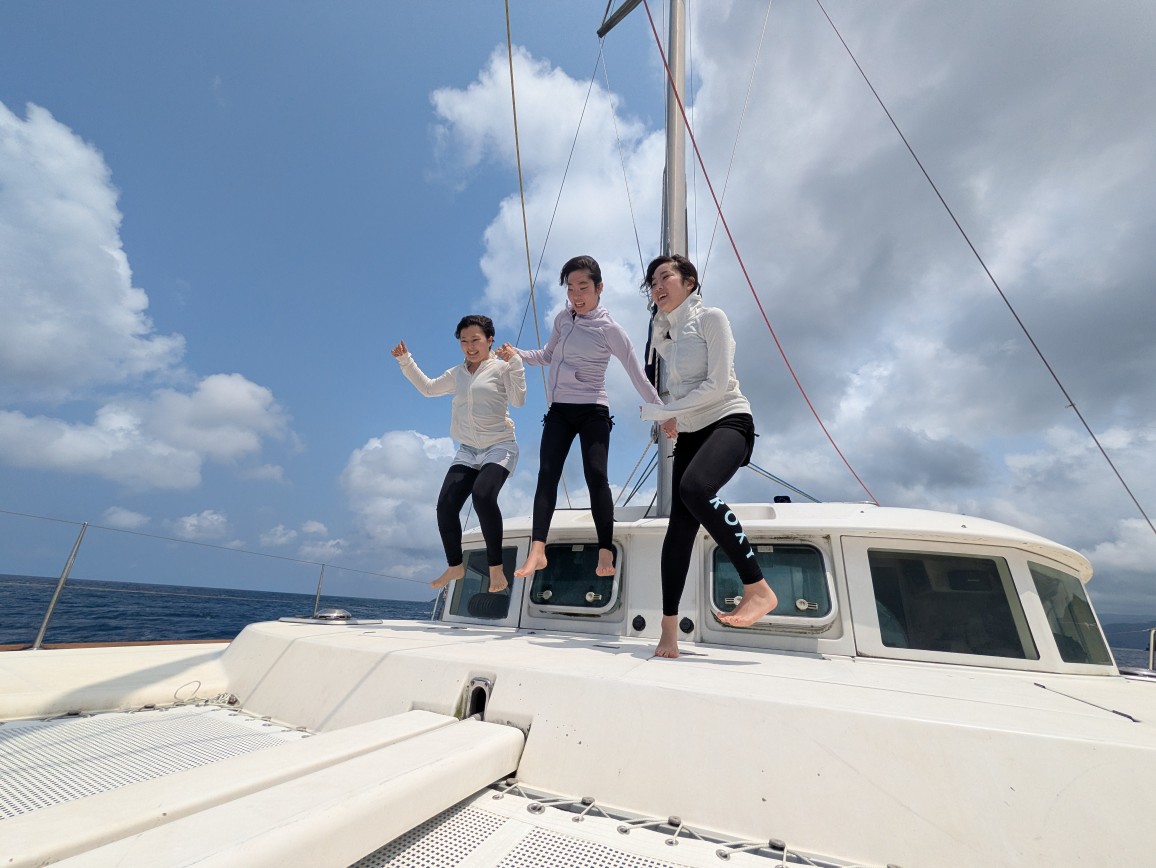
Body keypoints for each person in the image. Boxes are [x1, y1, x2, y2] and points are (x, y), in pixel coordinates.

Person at [639, 254, 778, 658]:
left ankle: (757, 588)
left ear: (689, 282)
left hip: (729, 419)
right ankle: (668, 630)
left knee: (695, 488)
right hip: (690, 430)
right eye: (652, 282)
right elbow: (677, 388)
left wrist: (666, 412)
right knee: (679, 530)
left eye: (665, 277)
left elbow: (717, 385)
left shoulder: (711, 319)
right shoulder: (663, 333)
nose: (657, 286)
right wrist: (674, 415)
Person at [500, 255, 661, 580]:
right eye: (571, 288)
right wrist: (518, 354)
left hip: (592, 410)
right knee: (547, 474)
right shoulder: (563, 319)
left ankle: (605, 550)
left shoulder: (609, 329)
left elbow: (635, 372)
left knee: (595, 475)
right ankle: (537, 550)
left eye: (583, 287)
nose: (576, 295)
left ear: (599, 287)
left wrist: (662, 413)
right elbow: (547, 355)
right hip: (559, 411)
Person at [392, 314, 526, 594]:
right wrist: (405, 360)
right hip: (467, 450)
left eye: (475, 340)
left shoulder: (502, 368)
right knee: (446, 506)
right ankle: (455, 565)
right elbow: (428, 389)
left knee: (482, 496)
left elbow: (518, 400)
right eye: (464, 341)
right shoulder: (458, 374)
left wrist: (515, 363)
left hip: (499, 445)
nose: (469, 346)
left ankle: (496, 567)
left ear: (490, 340)